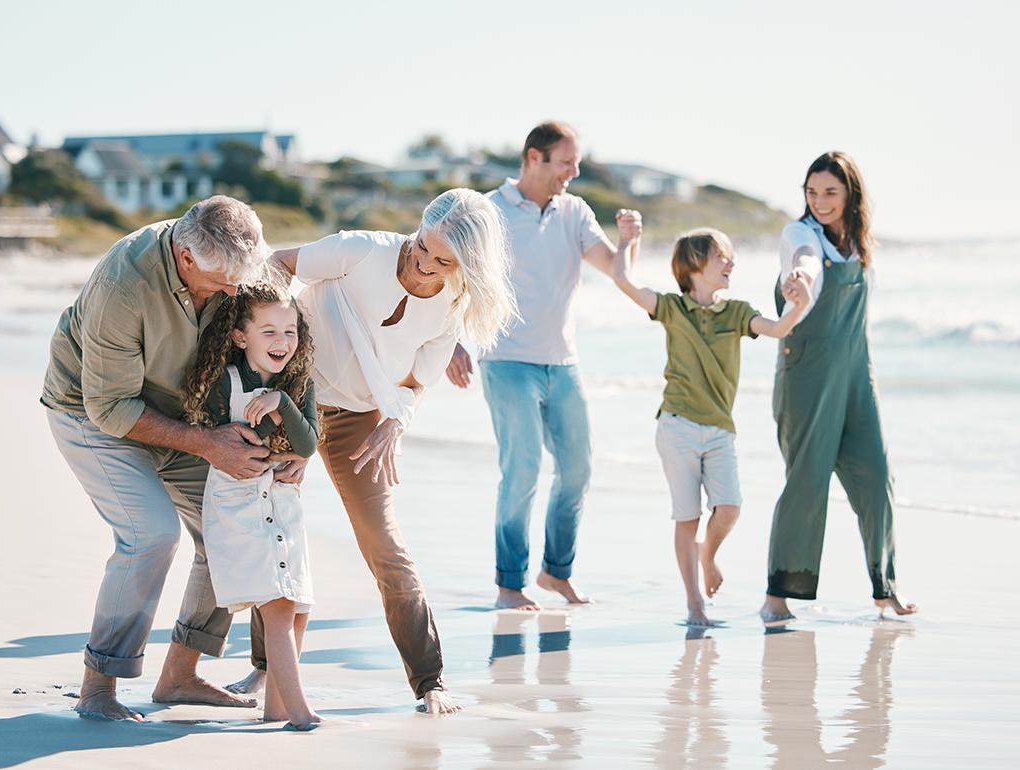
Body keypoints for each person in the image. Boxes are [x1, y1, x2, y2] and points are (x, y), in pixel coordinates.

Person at [229, 188, 517, 715]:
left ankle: (430, 680)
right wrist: (271, 351)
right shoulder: (363, 250)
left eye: (443, 261)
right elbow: (279, 263)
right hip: (293, 400)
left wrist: (394, 425)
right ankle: (267, 667)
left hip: (362, 420)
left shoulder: (451, 307)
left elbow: (412, 385)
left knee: (384, 545)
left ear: (467, 266)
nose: (425, 264)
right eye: (422, 247)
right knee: (275, 524)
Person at [41, 196, 299, 721]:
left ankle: (180, 675)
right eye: (223, 283)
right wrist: (208, 443)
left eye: (240, 282)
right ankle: (98, 687)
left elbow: (288, 350)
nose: (234, 292)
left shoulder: (236, 265)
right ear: (185, 256)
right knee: (152, 535)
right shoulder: (124, 283)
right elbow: (111, 408)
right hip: (92, 414)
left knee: (230, 527)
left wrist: (296, 442)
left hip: (181, 415)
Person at [445, 121, 642, 611]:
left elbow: (617, 271)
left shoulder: (574, 212)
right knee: (523, 469)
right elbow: (446, 273)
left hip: (563, 362)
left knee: (577, 471)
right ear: (534, 158)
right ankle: (510, 584)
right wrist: (450, 341)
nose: (574, 172)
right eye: (566, 162)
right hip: (507, 359)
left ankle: (557, 572)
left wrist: (630, 240)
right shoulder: (487, 210)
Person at [612, 228, 810, 626]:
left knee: (730, 508)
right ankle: (694, 604)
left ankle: (709, 554)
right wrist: (627, 240)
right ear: (695, 266)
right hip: (677, 425)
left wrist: (798, 306)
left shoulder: (737, 312)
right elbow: (623, 280)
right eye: (722, 256)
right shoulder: (670, 308)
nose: (731, 263)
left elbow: (777, 329)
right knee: (687, 518)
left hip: (720, 428)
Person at [760, 151, 918, 623]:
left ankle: (884, 588)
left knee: (877, 478)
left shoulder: (861, 244)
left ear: (851, 194)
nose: (820, 201)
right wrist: (801, 283)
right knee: (807, 482)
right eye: (812, 192)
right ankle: (777, 596)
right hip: (807, 375)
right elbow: (805, 264)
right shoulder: (800, 235)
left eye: (830, 192)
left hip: (856, 375)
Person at [182, 281, 321, 730]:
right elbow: (244, 447)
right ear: (241, 337)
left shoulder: (297, 383)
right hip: (239, 504)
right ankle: (301, 714)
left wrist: (280, 402)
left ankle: (277, 709)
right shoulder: (226, 381)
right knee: (277, 604)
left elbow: (309, 443)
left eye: (290, 331)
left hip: (284, 503)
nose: (282, 343)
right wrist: (277, 440)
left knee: (298, 605)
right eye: (269, 332)